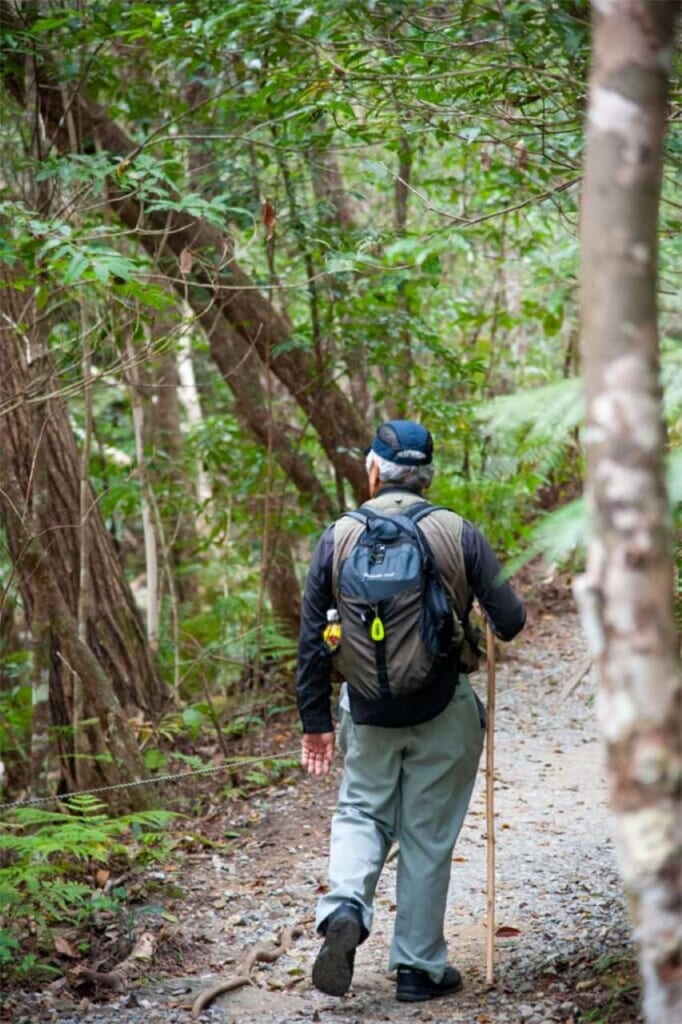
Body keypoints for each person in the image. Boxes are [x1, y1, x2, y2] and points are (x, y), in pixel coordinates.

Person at [296, 419, 525, 1002]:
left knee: (360, 812)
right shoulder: (456, 532)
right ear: (428, 475)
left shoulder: (339, 536)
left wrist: (315, 724)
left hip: (366, 712)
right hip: (441, 709)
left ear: (373, 471)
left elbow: (311, 638)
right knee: (426, 835)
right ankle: (419, 970)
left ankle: (346, 905)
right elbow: (512, 620)